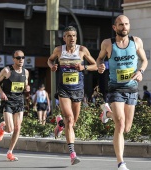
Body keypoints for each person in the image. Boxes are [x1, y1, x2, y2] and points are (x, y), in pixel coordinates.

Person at [97, 15, 148, 170]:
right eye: (121, 25)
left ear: (129, 26)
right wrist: (100, 66)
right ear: (115, 27)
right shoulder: (108, 43)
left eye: (126, 24)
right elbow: (99, 59)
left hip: (132, 87)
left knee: (127, 128)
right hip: (115, 88)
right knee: (120, 123)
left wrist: (140, 71)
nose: (124, 27)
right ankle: (121, 163)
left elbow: (145, 60)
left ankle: (107, 114)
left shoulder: (137, 41)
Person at [47, 26, 98, 165]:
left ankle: (60, 123)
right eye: (69, 35)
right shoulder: (59, 50)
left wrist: (84, 67)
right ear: (64, 38)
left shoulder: (82, 50)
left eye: (74, 35)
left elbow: (95, 65)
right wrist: (52, 66)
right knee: (69, 119)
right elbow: (50, 60)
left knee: (73, 122)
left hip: (78, 90)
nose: (72, 38)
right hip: (63, 89)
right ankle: (72, 155)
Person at [0, 50, 30, 161]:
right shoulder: (7, 70)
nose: (21, 60)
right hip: (8, 101)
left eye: (22, 57)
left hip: (19, 101)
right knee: (9, 129)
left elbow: (25, 85)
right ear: (13, 59)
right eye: (18, 58)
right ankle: (2, 127)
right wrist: (1, 92)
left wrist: (27, 88)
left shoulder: (26, 72)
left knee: (17, 128)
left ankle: (10, 152)